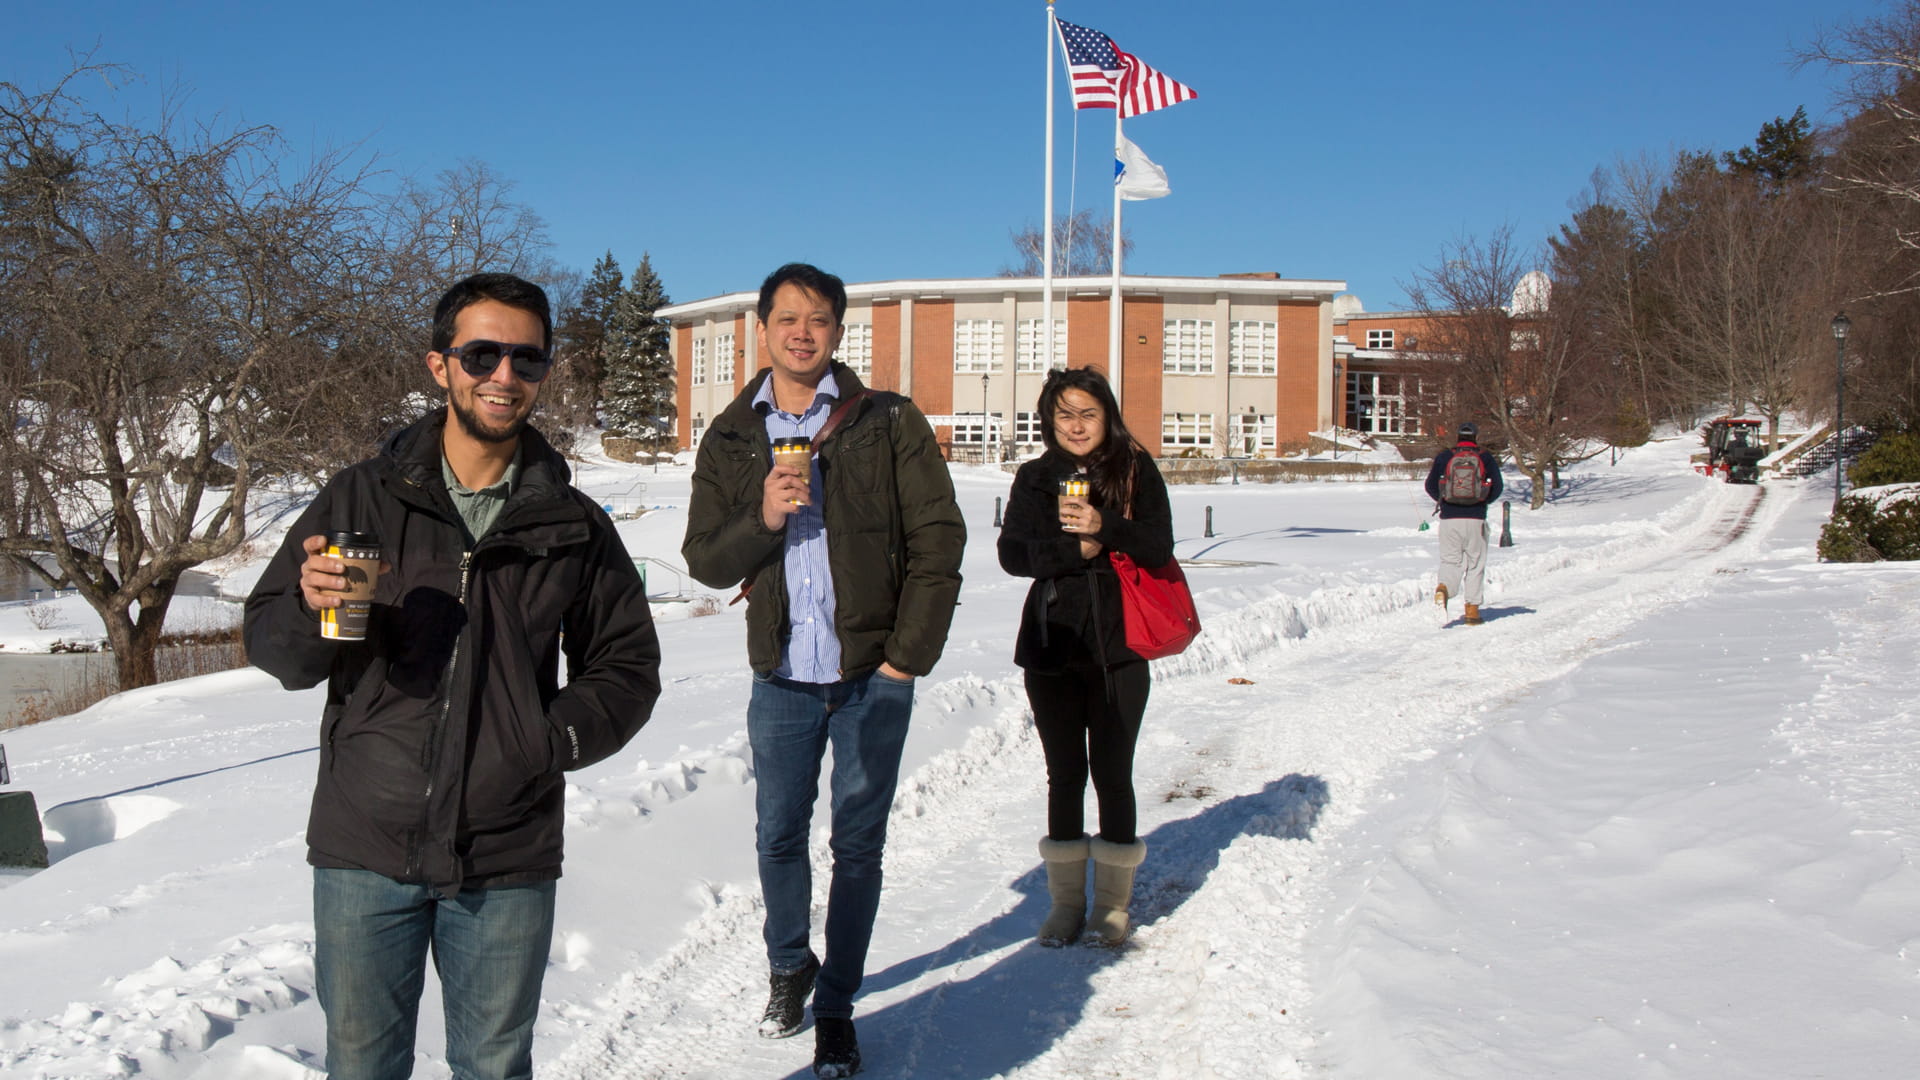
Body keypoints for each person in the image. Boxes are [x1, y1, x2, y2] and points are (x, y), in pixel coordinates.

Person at [244, 272, 662, 1080]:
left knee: (494, 1068)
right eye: (482, 354)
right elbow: (278, 652)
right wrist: (305, 604)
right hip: (365, 843)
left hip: (506, 851)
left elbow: (627, 667)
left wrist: (541, 742)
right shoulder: (361, 495)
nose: (504, 376)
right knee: (362, 1066)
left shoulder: (571, 521)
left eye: (526, 360)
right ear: (440, 366)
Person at [682, 262, 964, 1079]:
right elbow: (704, 559)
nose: (803, 332)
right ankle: (787, 966)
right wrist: (764, 515)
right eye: (787, 319)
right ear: (762, 329)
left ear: (838, 332)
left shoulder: (886, 421)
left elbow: (938, 542)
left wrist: (906, 660)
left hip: (872, 673)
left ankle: (836, 1005)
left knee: (858, 847)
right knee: (778, 836)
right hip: (780, 675)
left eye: (819, 320)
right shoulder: (733, 435)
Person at [996, 367, 1172, 948]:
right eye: (1064, 414)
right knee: (1065, 774)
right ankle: (1067, 904)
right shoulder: (1035, 477)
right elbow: (1013, 555)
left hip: (1120, 647)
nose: (1076, 426)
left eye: (1087, 414)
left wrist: (1108, 526)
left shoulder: (1134, 469)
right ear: (1049, 420)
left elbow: (1158, 546)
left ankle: (1113, 907)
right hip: (1052, 643)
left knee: (1113, 772)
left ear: (1107, 415)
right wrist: (1074, 549)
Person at [1425, 420, 1504, 626]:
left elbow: (1430, 485)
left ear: (1458, 436)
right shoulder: (1484, 457)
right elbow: (1498, 486)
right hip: (1476, 519)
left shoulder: (1445, 457)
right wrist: (1482, 501)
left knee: (1451, 561)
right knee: (1475, 565)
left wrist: (1444, 500)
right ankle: (1472, 610)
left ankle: (1444, 589)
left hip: (1450, 519)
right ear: (1475, 436)